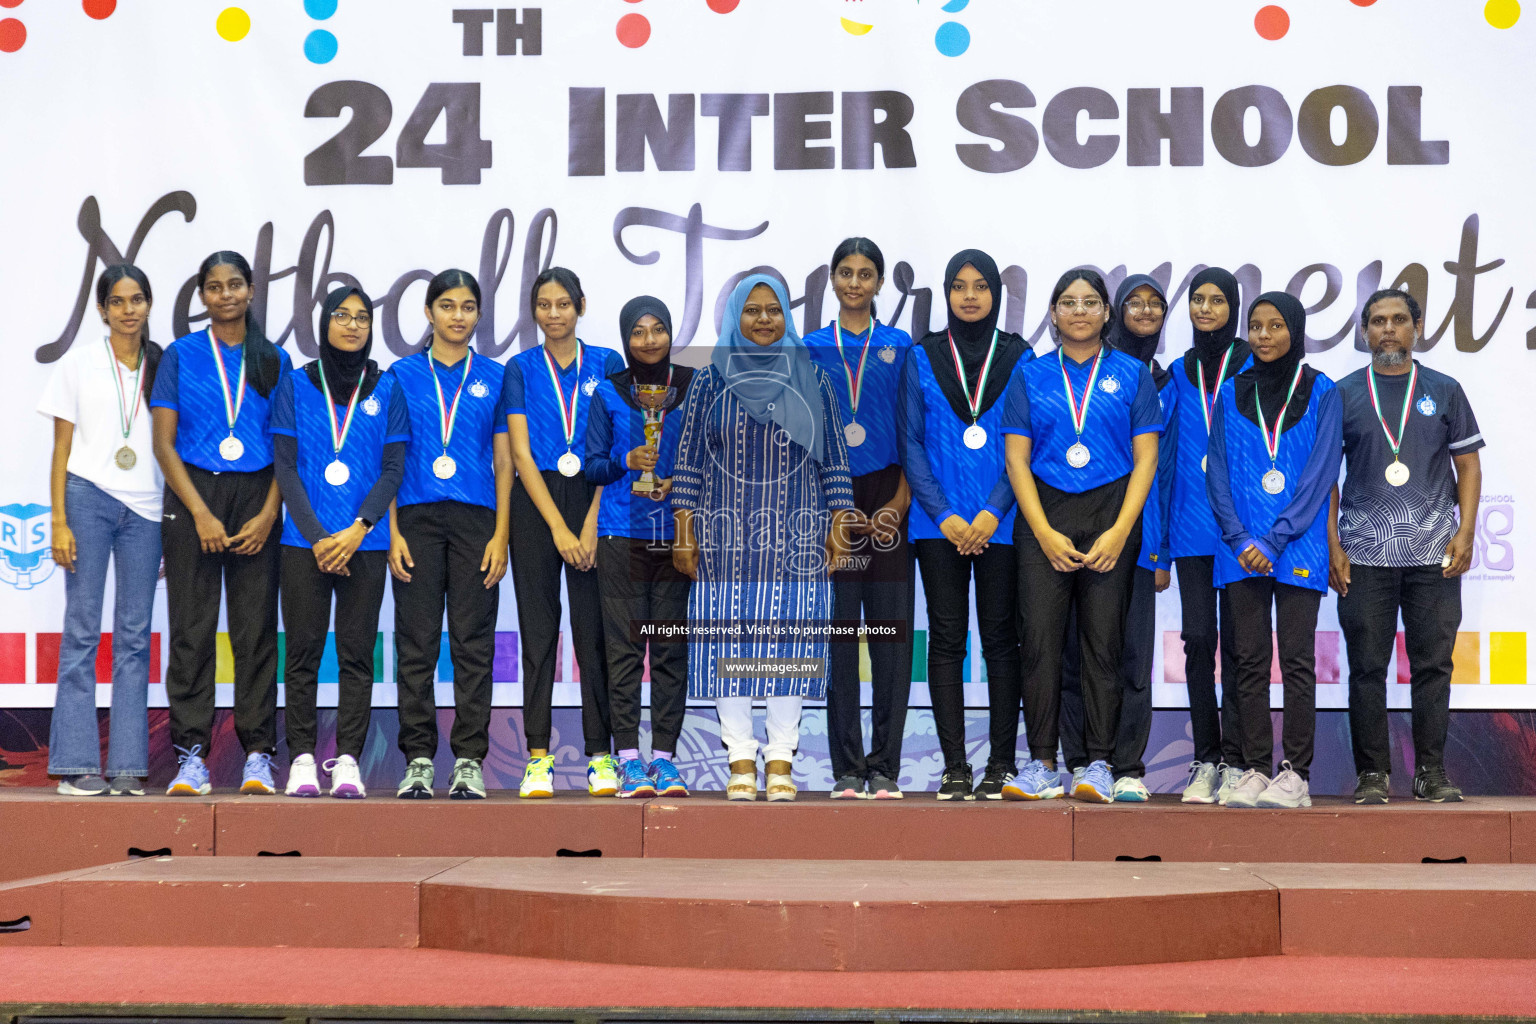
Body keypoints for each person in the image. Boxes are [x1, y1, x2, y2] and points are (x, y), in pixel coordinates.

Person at [671, 274, 856, 802]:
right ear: (734, 318)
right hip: (725, 535)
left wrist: (839, 523)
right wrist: (684, 533)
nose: (762, 320)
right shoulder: (709, 381)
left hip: (797, 532)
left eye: (773, 310)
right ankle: (739, 758)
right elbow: (687, 464)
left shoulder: (813, 380)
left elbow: (836, 460)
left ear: (787, 317)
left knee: (788, 644)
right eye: (751, 311)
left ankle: (779, 758)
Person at [1001, 268, 1161, 803]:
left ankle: (1097, 763)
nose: (1079, 311)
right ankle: (1043, 762)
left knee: (1103, 646)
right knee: (1041, 646)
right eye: (1067, 302)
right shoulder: (1029, 375)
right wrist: (1042, 532)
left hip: (1112, 514)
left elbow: (1146, 459)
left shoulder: (1133, 375)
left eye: (1090, 302)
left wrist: (1120, 531)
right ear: (1052, 313)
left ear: (1106, 313)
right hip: (1043, 517)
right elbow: (1017, 460)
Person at [1330, 288, 1481, 804]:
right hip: (1364, 554)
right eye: (1377, 321)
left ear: (1418, 326)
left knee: (1433, 666)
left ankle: (1430, 773)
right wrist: (1334, 545)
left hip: (1434, 553)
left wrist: (1466, 531)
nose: (1388, 329)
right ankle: (1372, 774)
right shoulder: (1344, 393)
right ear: (1365, 331)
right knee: (1367, 667)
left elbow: (1468, 465)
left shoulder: (1445, 389)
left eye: (1398, 320)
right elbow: (1327, 477)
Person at [151, 251, 290, 795]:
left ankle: (258, 752)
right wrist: (201, 512)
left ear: (252, 292)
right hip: (194, 493)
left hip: (258, 493)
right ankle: (192, 755)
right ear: (202, 296)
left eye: (235, 285)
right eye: (214, 287)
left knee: (255, 632)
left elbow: (287, 447)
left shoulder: (273, 358)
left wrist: (268, 512)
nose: (226, 294)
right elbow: (164, 444)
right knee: (192, 630)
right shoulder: (181, 357)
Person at [901, 250, 1033, 800]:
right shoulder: (922, 355)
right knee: (948, 639)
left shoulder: (1021, 357)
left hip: (1000, 524)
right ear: (947, 294)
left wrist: (989, 511)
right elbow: (910, 442)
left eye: (981, 286)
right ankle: (955, 766)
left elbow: (1026, 442)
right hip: (940, 526)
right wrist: (947, 514)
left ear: (996, 296)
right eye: (959, 286)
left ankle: (1001, 764)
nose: (971, 296)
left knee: (1003, 641)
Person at [270, 286, 408, 799]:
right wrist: (319, 538)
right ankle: (303, 757)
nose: (353, 325)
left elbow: (393, 468)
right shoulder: (295, 384)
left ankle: (348, 757)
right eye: (342, 316)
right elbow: (285, 467)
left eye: (362, 318)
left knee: (356, 655)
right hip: (303, 543)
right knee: (302, 653)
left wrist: (357, 530)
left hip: (364, 546)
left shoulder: (387, 388)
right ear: (323, 322)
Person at [1206, 292, 1341, 809]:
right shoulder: (1231, 391)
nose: (1264, 336)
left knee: (1298, 660)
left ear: (1296, 331)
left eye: (1275, 326)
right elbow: (1216, 469)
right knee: (1248, 662)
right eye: (1256, 327)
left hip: (1297, 542)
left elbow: (1321, 472)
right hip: (1239, 549)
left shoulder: (1321, 390)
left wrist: (1275, 537)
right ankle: (1256, 769)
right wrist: (1241, 538)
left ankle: (1296, 774)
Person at [40, 265, 163, 796]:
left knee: (135, 639)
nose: (128, 309)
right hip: (87, 498)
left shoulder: (163, 365)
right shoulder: (78, 364)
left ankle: (130, 766)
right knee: (82, 631)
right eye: (118, 301)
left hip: (148, 510)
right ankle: (75, 763)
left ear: (149, 305)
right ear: (102, 310)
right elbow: (61, 449)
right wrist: (59, 520)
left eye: (137, 299)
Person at [388, 269, 510, 799]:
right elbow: (388, 460)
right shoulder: (399, 375)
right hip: (413, 517)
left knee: (472, 643)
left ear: (478, 315)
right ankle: (417, 757)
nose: (457, 316)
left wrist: (502, 533)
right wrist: (390, 530)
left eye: (467, 307)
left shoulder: (497, 376)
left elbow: (504, 460)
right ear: (428, 313)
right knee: (415, 643)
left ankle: (468, 759)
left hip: (476, 520)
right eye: (447, 305)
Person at [1056, 273, 1177, 801]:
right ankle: (1080, 758)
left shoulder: (1169, 380)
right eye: (1135, 302)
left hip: (1136, 538)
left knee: (1129, 653)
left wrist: (1159, 549)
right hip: (1072, 532)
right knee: (1071, 651)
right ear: (1114, 312)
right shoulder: (1060, 373)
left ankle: (1126, 764)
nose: (1145, 313)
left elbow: (1163, 472)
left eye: (1155, 304)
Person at [505, 267, 624, 798]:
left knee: (594, 635)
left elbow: (615, 446)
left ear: (580, 305)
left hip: (596, 500)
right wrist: (557, 526)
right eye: (544, 305)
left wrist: (591, 522)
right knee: (538, 633)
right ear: (534, 311)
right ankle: (537, 757)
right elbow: (521, 454)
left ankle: (602, 754)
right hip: (538, 506)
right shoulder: (520, 368)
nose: (554, 314)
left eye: (563, 304)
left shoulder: (608, 363)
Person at [803, 238, 915, 800]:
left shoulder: (899, 346)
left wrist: (900, 501)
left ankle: (885, 768)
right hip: (830, 501)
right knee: (841, 640)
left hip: (890, 494)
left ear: (879, 283)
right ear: (832, 278)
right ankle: (847, 768)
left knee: (891, 639)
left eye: (865, 274)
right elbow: (798, 438)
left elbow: (914, 435)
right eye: (845, 272)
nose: (854, 282)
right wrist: (828, 512)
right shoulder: (810, 347)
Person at [584, 295, 695, 799]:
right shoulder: (609, 392)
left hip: (676, 537)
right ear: (626, 338)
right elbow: (593, 466)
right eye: (638, 332)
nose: (649, 340)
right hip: (620, 534)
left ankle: (666, 759)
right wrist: (627, 459)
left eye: (658, 329)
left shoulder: (695, 387)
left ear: (671, 334)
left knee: (670, 649)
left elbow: (712, 454)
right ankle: (628, 758)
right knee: (624, 650)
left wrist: (683, 484)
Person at [1168, 268, 1249, 804]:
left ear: (1233, 307)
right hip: (1191, 527)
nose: (1205, 308)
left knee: (1244, 647)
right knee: (1199, 641)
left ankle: (1242, 759)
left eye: (1217, 300)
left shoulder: (1254, 364)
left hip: (1240, 528)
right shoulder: (1177, 371)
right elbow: (1165, 452)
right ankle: (1207, 758)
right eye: (1197, 299)